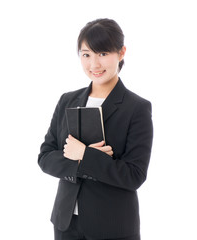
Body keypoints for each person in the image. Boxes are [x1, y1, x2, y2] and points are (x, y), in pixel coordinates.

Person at [38, 18, 153, 240]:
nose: (94, 65)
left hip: (112, 226)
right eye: (86, 54)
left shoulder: (137, 108)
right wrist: (85, 162)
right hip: (66, 223)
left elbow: (134, 175)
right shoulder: (67, 100)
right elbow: (45, 157)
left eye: (102, 53)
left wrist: (84, 155)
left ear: (121, 53)